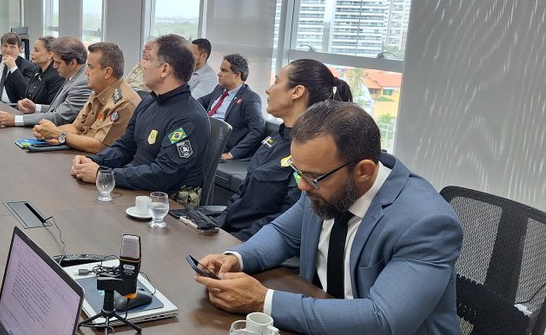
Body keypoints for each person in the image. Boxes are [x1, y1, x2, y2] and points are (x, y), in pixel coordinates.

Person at [195, 101, 463, 335]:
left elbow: (383, 320)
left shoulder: (426, 223)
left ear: (364, 171)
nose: (302, 186)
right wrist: (236, 258)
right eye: (298, 172)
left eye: (311, 177)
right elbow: (283, 234)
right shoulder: (322, 184)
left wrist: (263, 301)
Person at [214, 59, 353, 240]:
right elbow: (243, 194)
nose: (268, 89)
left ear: (297, 92)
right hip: (228, 231)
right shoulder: (275, 139)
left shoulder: (312, 155)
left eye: (277, 82)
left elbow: (287, 221)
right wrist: (217, 224)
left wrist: (235, 242)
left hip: (252, 244)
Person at [71, 34, 210, 191]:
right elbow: (126, 146)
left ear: (164, 69)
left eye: (149, 59)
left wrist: (102, 174)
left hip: (168, 203)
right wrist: (93, 161)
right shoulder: (149, 101)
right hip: (138, 187)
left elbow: (163, 175)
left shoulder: (188, 118)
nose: (143, 65)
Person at [32, 42, 141, 154]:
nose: (86, 72)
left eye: (90, 67)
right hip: (83, 155)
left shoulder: (123, 102)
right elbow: (76, 128)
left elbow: (99, 146)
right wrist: (47, 132)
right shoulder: (98, 91)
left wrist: (59, 134)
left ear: (107, 72)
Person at [0, 36, 92, 127]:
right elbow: (58, 108)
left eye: (57, 63)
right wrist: (35, 108)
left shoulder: (82, 83)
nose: (54, 66)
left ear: (73, 63)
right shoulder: (72, 74)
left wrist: (15, 120)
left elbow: (60, 117)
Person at [197, 54, 265, 160]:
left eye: (224, 71)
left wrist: (232, 154)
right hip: (202, 136)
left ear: (237, 75)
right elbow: (200, 102)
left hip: (219, 145)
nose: (219, 74)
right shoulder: (219, 89)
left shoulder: (250, 99)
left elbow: (257, 130)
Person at [3, 35, 65, 105]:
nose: (31, 53)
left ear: (50, 54)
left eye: (36, 50)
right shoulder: (36, 70)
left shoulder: (57, 75)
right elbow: (27, 96)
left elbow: (52, 108)